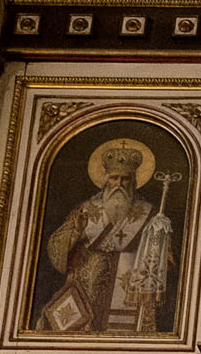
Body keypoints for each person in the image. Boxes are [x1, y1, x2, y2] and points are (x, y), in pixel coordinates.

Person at [36, 138, 178, 335]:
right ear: (105, 179)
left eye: (125, 179)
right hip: (87, 288)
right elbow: (56, 248)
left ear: (134, 181)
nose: (119, 184)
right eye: (114, 178)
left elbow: (165, 259)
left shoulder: (150, 214)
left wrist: (159, 240)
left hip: (128, 289)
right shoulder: (84, 211)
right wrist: (74, 233)